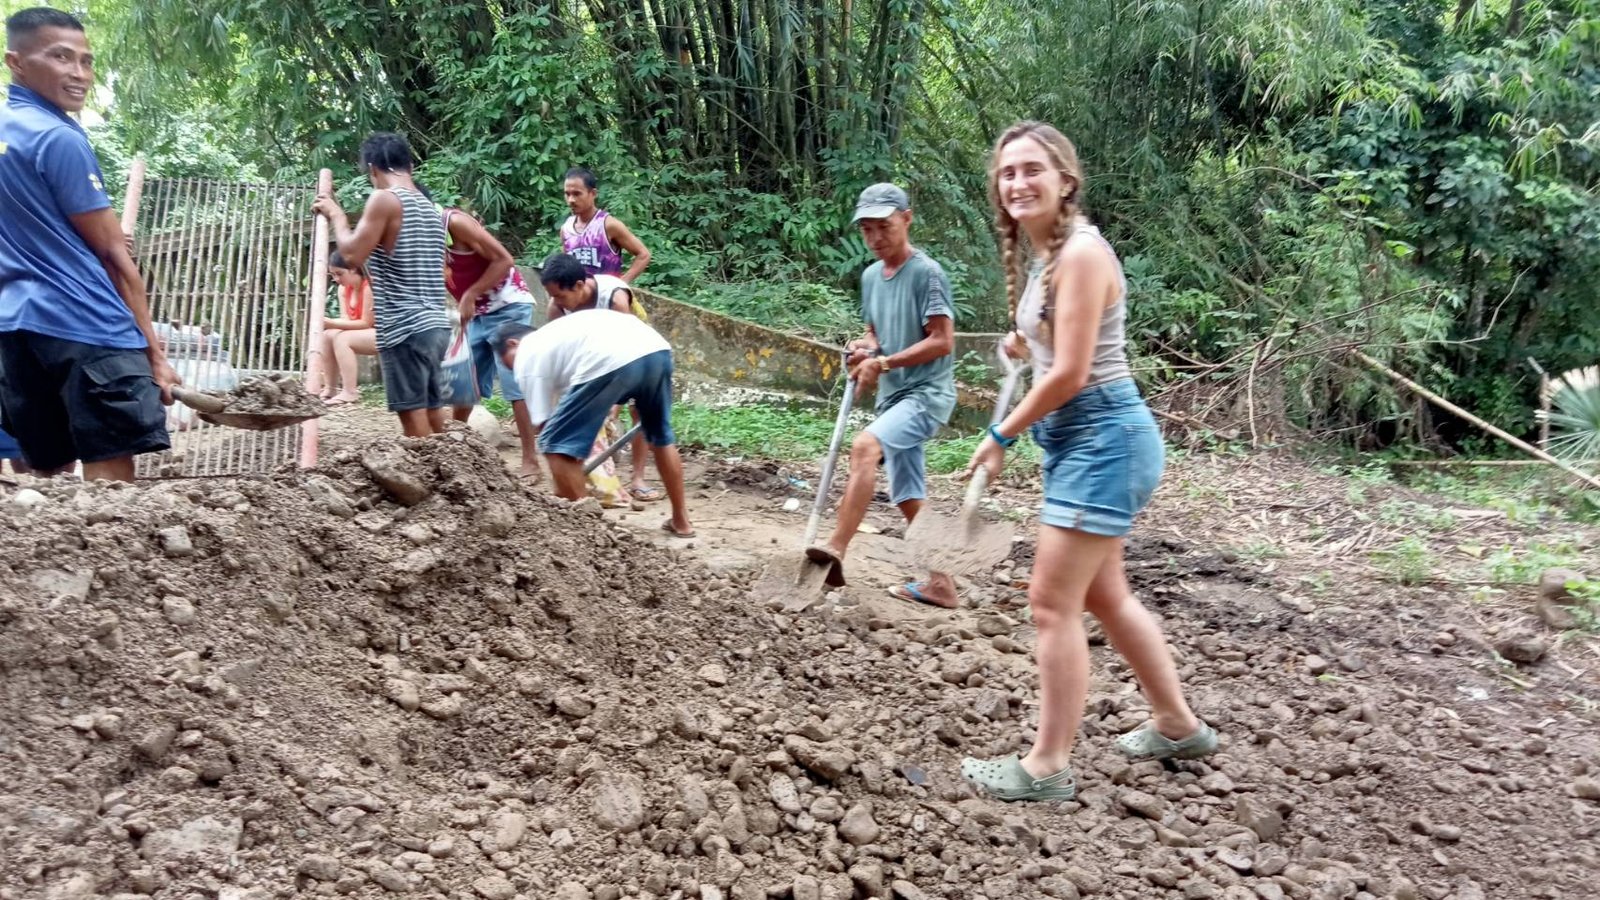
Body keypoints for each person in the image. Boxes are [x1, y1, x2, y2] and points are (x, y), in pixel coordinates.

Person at [958, 121, 1215, 803]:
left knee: (1050, 603)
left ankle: (1046, 767)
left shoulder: (1082, 254)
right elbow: (1056, 337)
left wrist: (1001, 433)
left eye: (1032, 169)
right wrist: (1021, 339)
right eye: (1007, 172)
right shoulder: (1054, 258)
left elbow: (1072, 371)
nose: (1017, 182)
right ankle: (1178, 724)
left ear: (1065, 180)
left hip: (1104, 436)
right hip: (1085, 441)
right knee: (1104, 595)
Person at [0, 7, 179, 482]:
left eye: (86, 60)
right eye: (61, 57)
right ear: (15, 62)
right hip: (87, 325)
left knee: (48, 481)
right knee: (112, 496)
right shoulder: (58, 137)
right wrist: (154, 354)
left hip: (18, 330)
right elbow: (114, 258)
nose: (79, 74)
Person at [802, 184, 960, 605]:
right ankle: (942, 584)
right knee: (907, 493)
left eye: (883, 227)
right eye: (867, 230)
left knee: (865, 447)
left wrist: (885, 363)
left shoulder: (927, 273)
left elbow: (942, 341)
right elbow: (875, 332)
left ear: (907, 220)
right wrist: (866, 349)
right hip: (894, 397)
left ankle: (835, 548)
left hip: (926, 394)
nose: (874, 238)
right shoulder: (871, 277)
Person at [494, 313, 693, 538]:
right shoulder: (556, 340)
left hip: (611, 359)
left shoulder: (526, 356)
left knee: (555, 445)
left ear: (513, 343)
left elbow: (544, 426)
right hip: (656, 350)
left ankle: (589, 535)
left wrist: (565, 471)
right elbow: (572, 413)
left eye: (505, 362)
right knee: (661, 437)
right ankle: (681, 521)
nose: (510, 370)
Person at [313, 133, 452, 438]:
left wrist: (337, 214)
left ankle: (426, 476)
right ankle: (448, 476)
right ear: (410, 166)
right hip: (435, 325)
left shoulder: (385, 199)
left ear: (373, 169)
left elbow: (351, 253)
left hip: (405, 328)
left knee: (413, 418)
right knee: (432, 410)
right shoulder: (429, 207)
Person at [542, 252, 662, 503]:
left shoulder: (615, 300)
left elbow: (624, 354)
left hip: (637, 351)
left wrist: (613, 404)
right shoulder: (557, 308)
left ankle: (638, 478)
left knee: (639, 410)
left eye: (561, 296)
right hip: (590, 355)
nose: (557, 302)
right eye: (553, 296)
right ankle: (590, 479)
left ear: (579, 286)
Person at [439, 204, 541, 478]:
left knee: (514, 385)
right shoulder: (418, 239)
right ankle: (450, 449)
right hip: (478, 314)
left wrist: (471, 294)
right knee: (464, 381)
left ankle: (530, 460)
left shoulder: (454, 223)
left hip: (509, 306)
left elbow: (504, 260)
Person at [559, 167, 651, 282]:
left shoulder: (608, 225)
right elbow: (566, 266)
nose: (571, 200)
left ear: (593, 193)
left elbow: (643, 254)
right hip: (578, 297)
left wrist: (620, 284)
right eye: (567, 194)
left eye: (577, 194)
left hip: (606, 297)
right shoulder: (566, 229)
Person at [317, 250, 375, 405]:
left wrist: (330, 322)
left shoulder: (369, 286)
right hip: (365, 334)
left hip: (385, 333)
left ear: (353, 269)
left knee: (342, 338)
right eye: (333, 275)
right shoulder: (343, 289)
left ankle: (350, 392)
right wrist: (329, 326)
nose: (336, 279)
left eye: (339, 274)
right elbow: (346, 320)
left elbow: (366, 323)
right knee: (327, 335)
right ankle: (330, 389)